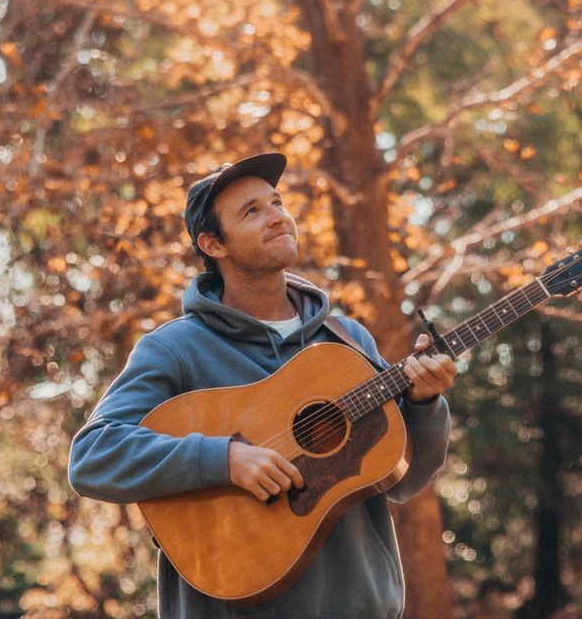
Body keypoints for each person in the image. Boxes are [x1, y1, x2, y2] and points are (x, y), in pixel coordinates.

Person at [68, 152, 457, 619]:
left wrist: (424, 402)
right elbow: (92, 456)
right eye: (252, 211)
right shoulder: (175, 349)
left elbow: (404, 480)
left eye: (277, 202)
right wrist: (223, 458)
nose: (278, 217)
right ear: (214, 244)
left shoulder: (347, 339)